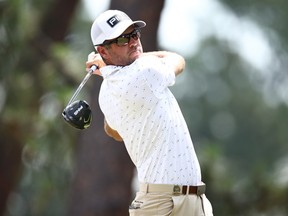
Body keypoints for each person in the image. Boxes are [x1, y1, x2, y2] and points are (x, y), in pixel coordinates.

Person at [86, 9, 213, 216]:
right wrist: (124, 62)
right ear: (103, 51)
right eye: (122, 40)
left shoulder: (105, 93)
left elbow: (114, 131)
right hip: (162, 204)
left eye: (134, 34)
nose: (133, 42)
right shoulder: (145, 72)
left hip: (191, 200)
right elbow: (176, 59)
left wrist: (107, 70)